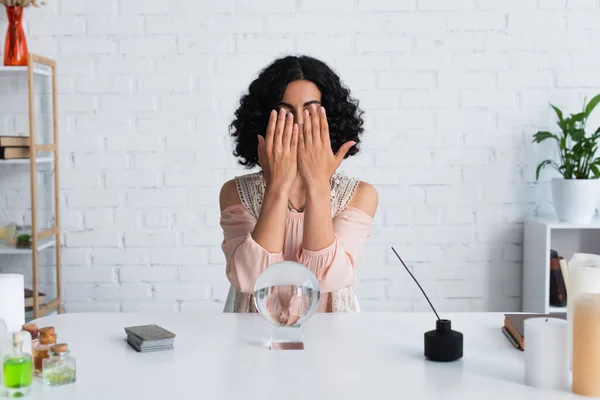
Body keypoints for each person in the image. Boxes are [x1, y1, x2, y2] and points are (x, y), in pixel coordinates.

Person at [219, 55, 378, 313]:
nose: (299, 124)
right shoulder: (234, 193)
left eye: (311, 111)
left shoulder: (361, 195)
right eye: (285, 113)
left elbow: (324, 279)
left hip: (332, 336)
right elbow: (252, 280)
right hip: (255, 334)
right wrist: (278, 185)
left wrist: (317, 184)